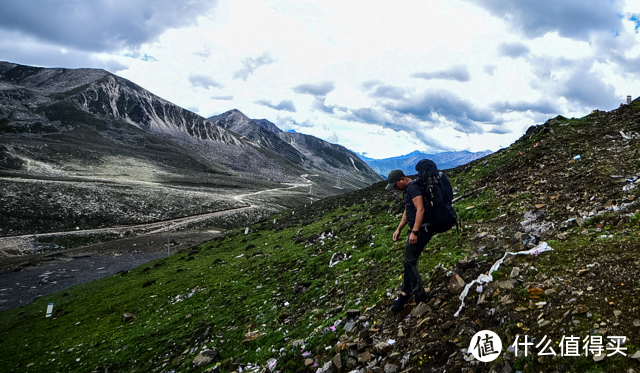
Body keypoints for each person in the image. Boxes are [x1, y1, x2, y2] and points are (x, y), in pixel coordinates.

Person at [385, 169, 432, 312]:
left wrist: (415, 231)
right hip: (416, 230)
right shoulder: (407, 190)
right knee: (408, 259)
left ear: (402, 179)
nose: (395, 188)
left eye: (395, 185)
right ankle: (406, 292)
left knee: (409, 261)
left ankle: (420, 295)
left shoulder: (413, 188)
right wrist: (399, 229)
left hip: (421, 230)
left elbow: (420, 209)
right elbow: (408, 210)